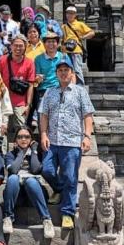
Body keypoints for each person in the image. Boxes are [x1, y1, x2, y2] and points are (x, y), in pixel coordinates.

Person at [39, 56, 94, 230]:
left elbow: (87, 116)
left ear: (72, 73)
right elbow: (44, 115)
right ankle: (59, 188)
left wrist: (87, 136)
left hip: (72, 142)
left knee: (71, 177)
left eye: (66, 70)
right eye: (60, 70)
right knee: (46, 170)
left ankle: (67, 213)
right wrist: (43, 134)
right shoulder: (50, 92)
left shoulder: (80, 92)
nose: (63, 73)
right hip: (53, 141)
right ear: (56, 73)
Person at [2, 127, 54, 239]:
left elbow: (35, 169)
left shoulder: (37, 153)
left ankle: (46, 220)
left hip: (35, 194)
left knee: (31, 181)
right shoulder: (10, 155)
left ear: (31, 139)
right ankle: (8, 218)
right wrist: (20, 154)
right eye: (20, 137)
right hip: (16, 196)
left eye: (27, 137)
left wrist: (34, 151)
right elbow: (14, 170)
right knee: (13, 178)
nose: (23, 139)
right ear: (15, 140)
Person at [0, 34, 35, 138]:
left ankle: (20, 152)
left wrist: (28, 105)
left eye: (21, 46)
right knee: (3, 130)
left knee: (21, 129)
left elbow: (31, 85)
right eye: (16, 45)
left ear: (25, 47)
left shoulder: (29, 62)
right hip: (4, 101)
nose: (18, 48)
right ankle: (5, 153)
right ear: (11, 46)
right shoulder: (2, 60)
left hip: (20, 103)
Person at [30, 32, 69, 131]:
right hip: (44, 92)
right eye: (48, 42)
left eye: (53, 42)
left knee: (60, 121)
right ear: (44, 44)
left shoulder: (63, 57)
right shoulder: (38, 59)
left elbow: (71, 75)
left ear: (57, 43)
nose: (51, 44)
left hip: (61, 91)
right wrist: (38, 79)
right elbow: (36, 79)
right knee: (43, 122)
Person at [61, 6, 95, 85]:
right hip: (66, 51)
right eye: (68, 13)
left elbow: (92, 33)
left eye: (72, 13)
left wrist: (83, 37)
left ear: (75, 15)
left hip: (76, 50)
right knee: (67, 69)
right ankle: (69, 85)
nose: (69, 15)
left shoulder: (80, 24)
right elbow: (61, 39)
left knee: (77, 69)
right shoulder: (63, 26)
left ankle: (80, 87)